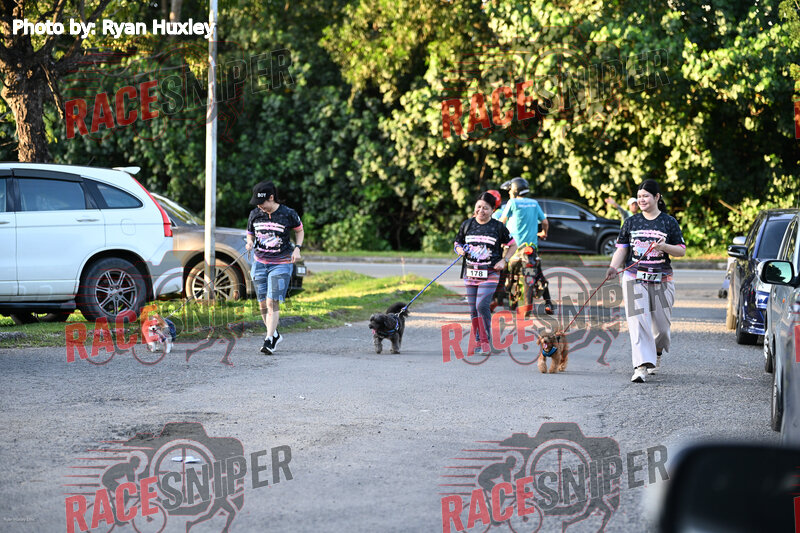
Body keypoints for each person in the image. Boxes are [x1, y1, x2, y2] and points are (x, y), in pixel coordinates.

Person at [605, 179, 686, 383]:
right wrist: (613, 267)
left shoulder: (669, 222)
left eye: (646, 196)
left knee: (662, 329)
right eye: (639, 196)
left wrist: (664, 247)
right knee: (638, 322)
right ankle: (640, 366)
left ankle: (656, 352)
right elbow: (622, 249)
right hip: (634, 277)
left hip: (662, 279)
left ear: (657, 197)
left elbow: (681, 251)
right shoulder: (631, 222)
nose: (641, 200)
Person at [455, 192, 517, 355]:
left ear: (492, 210)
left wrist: (504, 260)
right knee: (473, 310)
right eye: (479, 207)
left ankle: (485, 341)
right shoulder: (467, 225)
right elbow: (457, 242)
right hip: (470, 273)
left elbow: (513, 245)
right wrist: (459, 250)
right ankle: (478, 339)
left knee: (481, 305)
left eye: (486, 208)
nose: (481, 211)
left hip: (490, 273)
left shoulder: (498, 227)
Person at [245, 181, 304, 355]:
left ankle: (269, 340)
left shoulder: (288, 213)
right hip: (259, 263)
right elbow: (250, 233)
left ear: (271, 198)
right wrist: (249, 242)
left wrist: (297, 248)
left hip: (281, 263)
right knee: (262, 303)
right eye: (257, 203)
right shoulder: (255, 214)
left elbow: (299, 230)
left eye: (262, 202)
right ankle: (274, 334)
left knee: (272, 301)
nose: (259, 206)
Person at [498, 177, 555, 314]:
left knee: (502, 271)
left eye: (510, 190)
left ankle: (495, 300)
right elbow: (545, 222)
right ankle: (548, 303)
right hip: (530, 248)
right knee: (538, 273)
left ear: (514, 190)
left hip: (513, 247)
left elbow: (502, 222)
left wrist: (498, 235)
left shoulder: (512, 203)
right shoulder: (534, 203)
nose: (509, 193)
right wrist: (543, 233)